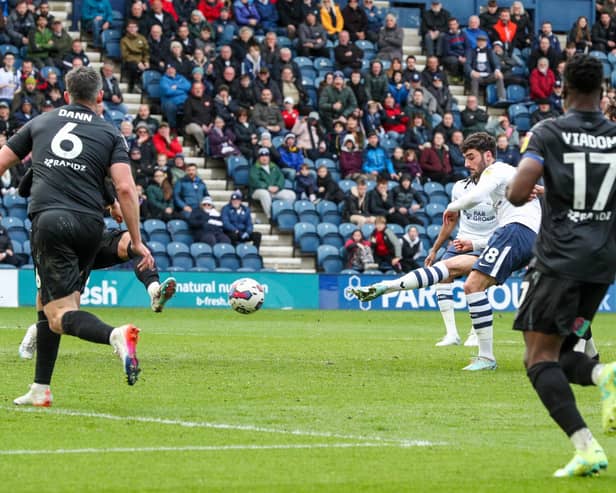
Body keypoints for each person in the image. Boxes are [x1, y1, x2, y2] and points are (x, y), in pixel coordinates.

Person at [0, 66, 154, 406]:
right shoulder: (110, 132)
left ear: (66, 94)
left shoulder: (40, 122)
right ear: (100, 96)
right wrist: (136, 238)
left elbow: (3, 162)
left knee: (59, 315)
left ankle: (115, 335)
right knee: (46, 303)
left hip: (51, 223)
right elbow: (126, 188)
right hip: (89, 225)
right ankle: (41, 388)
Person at [506, 54, 616, 477]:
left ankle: (585, 446)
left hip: (558, 262)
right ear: (602, 91)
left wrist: (542, 174)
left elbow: (517, 193)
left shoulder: (549, 132)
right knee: (565, 352)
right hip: (601, 267)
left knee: (537, 358)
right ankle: (602, 372)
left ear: (564, 88)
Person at [353, 132, 537, 369]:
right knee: (450, 269)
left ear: (488, 155)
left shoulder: (496, 171)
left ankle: (486, 356)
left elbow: (477, 198)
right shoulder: (506, 179)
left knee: (473, 285)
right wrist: (475, 245)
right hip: (515, 238)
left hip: (516, 234)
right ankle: (387, 287)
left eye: (471, 157)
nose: (467, 164)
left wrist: (451, 207)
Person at [249, 147, 296, 219]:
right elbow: (255, 181)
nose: (264, 158)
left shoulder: (274, 166)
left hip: (275, 190)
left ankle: (284, 215)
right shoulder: (255, 167)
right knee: (264, 194)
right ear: (258, 158)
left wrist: (278, 186)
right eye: (262, 156)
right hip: (258, 191)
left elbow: (281, 178)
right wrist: (267, 187)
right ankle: (270, 216)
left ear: (269, 157)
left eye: (266, 156)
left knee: (291, 195)